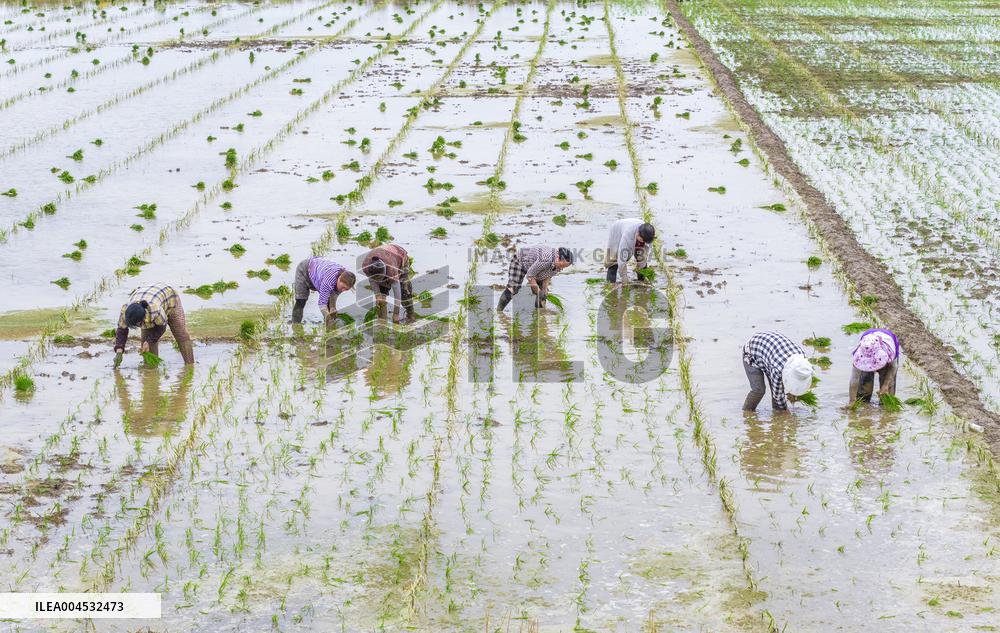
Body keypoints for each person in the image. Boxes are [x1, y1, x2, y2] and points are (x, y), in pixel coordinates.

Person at [113, 283, 194, 365]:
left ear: (144, 318)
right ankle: (151, 370)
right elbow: (122, 330)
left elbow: (161, 327)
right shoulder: (126, 310)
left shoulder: (155, 309)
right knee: (146, 344)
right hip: (149, 295)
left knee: (180, 334)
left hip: (170, 297)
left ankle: (190, 365)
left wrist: (149, 341)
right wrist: (119, 350)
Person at [742, 330, 814, 411]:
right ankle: (747, 413)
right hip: (752, 351)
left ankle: (776, 413)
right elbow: (778, 396)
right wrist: (785, 412)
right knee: (759, 390)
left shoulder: (802, 358)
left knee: (776, 389)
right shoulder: (777, 370)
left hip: (770, 351)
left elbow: (777, 390)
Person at [496, 246, 574, 312]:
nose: (560, 269)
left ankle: (539, 317)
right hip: (521, 260)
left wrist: (544, 289)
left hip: (535, 265)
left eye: (563, 267)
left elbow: (548, 276)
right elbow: (530, 275)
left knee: (542, 293)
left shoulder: (558, 265)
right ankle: (499, 312)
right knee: (513, 288)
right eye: (561, 266)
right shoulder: (545, 259)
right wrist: (538, 291)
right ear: (557, 257)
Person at [292, 256, 356, 324]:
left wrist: (332, 307)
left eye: (346, 289)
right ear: (339, 279)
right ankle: (295, 325)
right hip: (305, 270)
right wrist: (328, 318)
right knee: (301, 300)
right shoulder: (328, 281)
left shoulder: (346, 279)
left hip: (319, 273)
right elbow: (322, 304)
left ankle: (328, 328)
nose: (343, 290)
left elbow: (334, 293)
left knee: (330, 308)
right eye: (343, 287)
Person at [362, 244, 414, 323]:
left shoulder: (391, 270)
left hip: (400, 258)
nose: (379, 280)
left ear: (385, 272)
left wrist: (396, 314)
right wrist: (378, 295)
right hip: (384, 254)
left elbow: (397, 294)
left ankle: (410, 316)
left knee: (404, 291)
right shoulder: (366, 266)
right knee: (381, 298)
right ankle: (382, 320)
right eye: (376, 279)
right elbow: (372, 280)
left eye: (380, 278)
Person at [849, 328, 900, 403]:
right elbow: (854, 379)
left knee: (887, 393)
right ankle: (864, 404)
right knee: (865, 387)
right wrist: (852, 401)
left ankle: (885, 408)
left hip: (884, 347)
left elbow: (894, 367)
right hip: (868, 347)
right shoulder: (859, 356)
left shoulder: (890, 351)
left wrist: (886, 385)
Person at [605, 218, 655, 283]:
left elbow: (645, 253)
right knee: (614, 261)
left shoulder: (648, 235)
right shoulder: (628, 234)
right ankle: (610, 285)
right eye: (642, 240)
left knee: (641, 258)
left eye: (645, 241)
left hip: (632, 227)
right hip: (617, 230)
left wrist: (641, 266)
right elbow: (622, 257)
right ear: (638, 234)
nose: (643, 242)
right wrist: (624, 276)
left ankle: (641, 282)